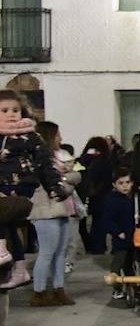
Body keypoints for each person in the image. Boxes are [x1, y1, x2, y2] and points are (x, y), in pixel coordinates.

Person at [0, 92, 65, 289]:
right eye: (4, 110)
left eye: (15, 110)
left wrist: (54, 187)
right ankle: (19, 268)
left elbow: (45, 164)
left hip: (20, 187)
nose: (11, 114)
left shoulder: (30, 136)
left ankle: (2, 251)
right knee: (9, 226)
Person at [28, 121, 81, 307]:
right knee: (46, 252)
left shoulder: (61, 156)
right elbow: (53, 181)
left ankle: (59, 289)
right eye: (58, 135)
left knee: (61, 253)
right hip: (45, 211)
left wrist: (65, 178)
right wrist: (65, 178)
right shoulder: (37, 160)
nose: (61, 138)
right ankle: (39, 291)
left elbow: (77, 176)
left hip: (64, 209)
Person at [95, 169, 137, 305]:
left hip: (135, 237)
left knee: (131, 263)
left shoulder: (133, 199)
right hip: (121, 238)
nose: (125, 186)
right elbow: (106, 220)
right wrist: (117, 232)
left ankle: (134, 285)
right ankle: (117, 287)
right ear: (114, 185)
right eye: (121, 183)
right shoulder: (112, 200)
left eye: (128, 182)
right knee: (118, 263)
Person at [76, 136, 114, 254]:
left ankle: (89, 245)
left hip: (83, 194)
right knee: (99, 222)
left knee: (82, 222)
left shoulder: (83, 159)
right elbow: (108, 179)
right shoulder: (106, 161)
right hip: (101, 195)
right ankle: (98, 246)